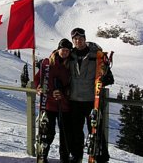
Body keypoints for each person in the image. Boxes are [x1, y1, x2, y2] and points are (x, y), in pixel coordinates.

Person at [69, 27, 112, 163]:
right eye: (75, 39)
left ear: (85, 39)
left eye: (80, 39)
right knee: (75, 131)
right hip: (74, 100)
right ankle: (77, 156)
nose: (78, 41)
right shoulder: (69, 55)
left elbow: (109, 77)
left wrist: (104, 79)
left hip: (91, 101)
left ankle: (101, 158)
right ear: (73, 40)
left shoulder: (96, 55)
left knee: (96, 130)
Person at [35, 38, 73, 163]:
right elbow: (37, 78)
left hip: (64, 105)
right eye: (63, 50)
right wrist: (38, 87)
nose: (65, 53)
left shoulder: (70, 65)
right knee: (47, 132)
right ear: (58, 49)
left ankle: (64, 157)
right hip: (49, 104)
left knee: (65, 134)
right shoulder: (47, 63)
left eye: (68, 50)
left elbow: (72, 84)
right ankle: (42, 155)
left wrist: (64, 92)